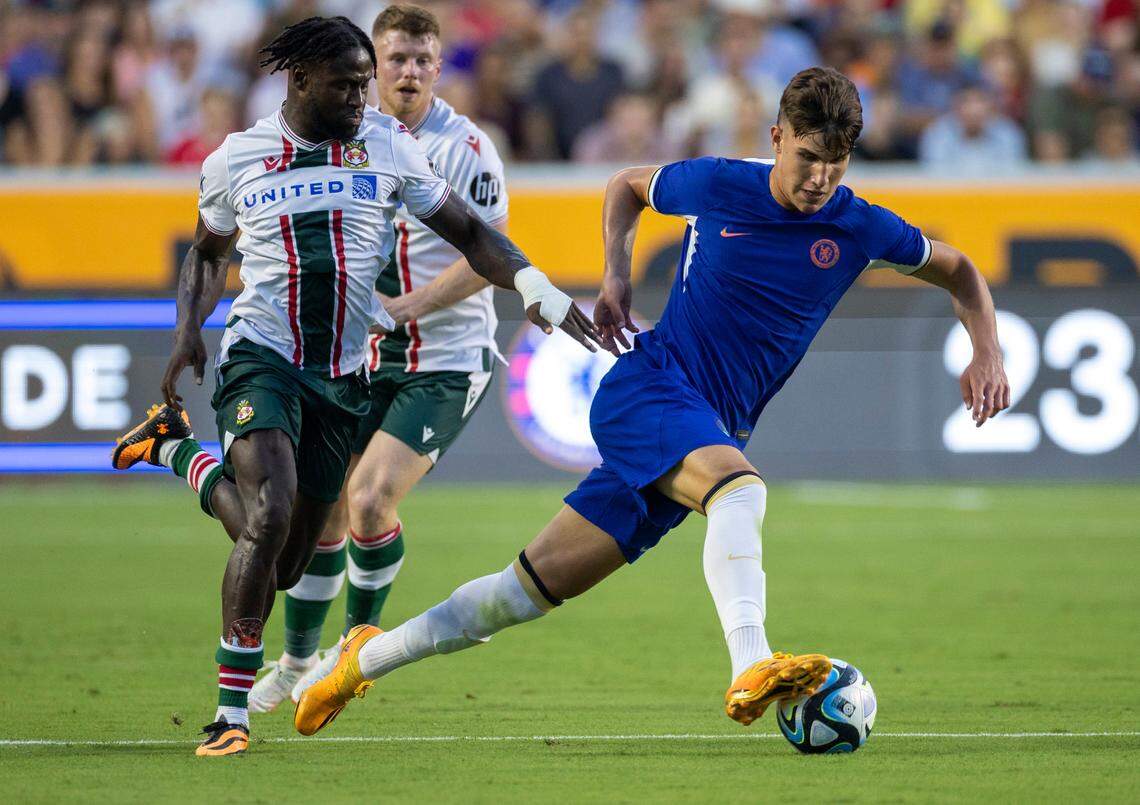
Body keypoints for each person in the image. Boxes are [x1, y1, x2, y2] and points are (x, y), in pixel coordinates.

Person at [293, 66, 1011, 736]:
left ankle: (360, 661)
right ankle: (749, 662)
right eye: (807, 157)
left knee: (518, 595)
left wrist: (988, 348)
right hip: (651, 389)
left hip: (702, 429)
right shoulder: (720, 184)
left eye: (837, 160)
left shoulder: (860, 226)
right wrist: (616, 280)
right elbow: (626, 185)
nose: (820, 177)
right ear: (777, 139)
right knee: (740, 493)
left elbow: (958, 269)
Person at [110, 15, 599, 757]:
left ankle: (182, 458)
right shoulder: (239, 157)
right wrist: (187, 332)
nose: (360, 97)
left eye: (365, 82)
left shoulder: (388, 145)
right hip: (262, 355)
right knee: (273, 512)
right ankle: (230, 712)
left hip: (346, 373)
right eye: (347, 84)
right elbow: (208, 254)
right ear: (301, 81)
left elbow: (473, 233)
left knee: (289, 558)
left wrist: (539, 288)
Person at [248, 3, 513, 714]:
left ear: (437, 67)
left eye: (424, 60)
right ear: (372, 64)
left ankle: (357, 647)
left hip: (445, 359)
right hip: (357, 356)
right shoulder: (346, 137)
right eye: (397, 58)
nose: (410, 71)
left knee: (369, 499)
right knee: (323, 506)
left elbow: (488, 256)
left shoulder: (466, 148)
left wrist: (409, 304)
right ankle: (300, 657)